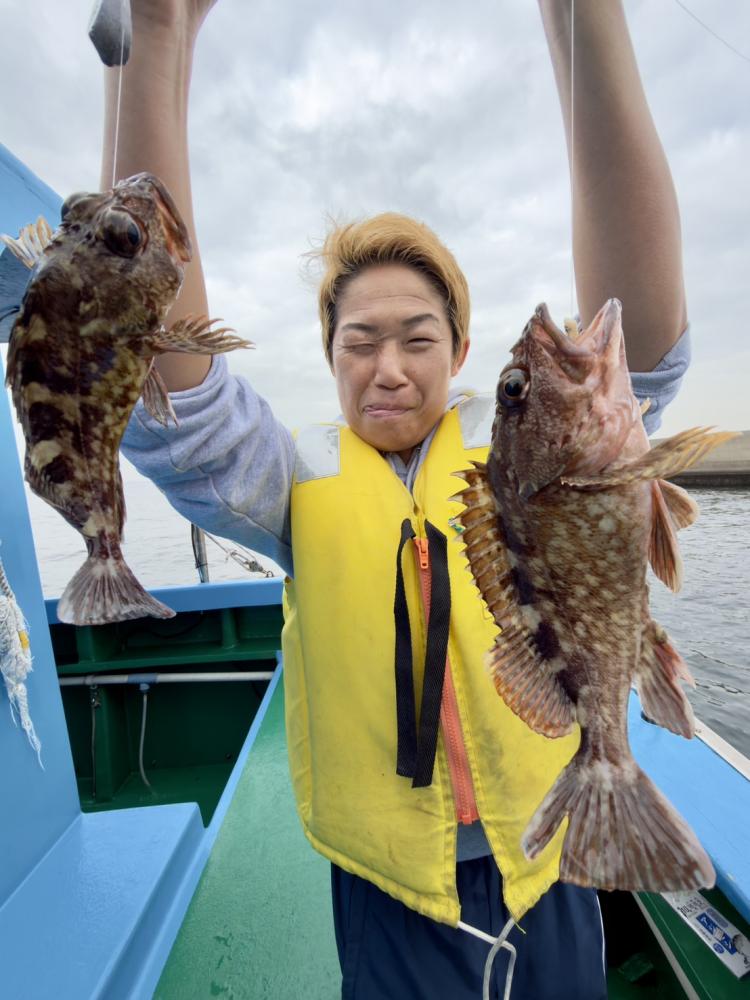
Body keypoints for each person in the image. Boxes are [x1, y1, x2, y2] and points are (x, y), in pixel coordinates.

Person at [106, 1, 692, 997]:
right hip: (388, 887)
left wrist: (581, 15)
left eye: (418, 339)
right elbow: (170, 395)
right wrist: (159, 35)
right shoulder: (290, 478)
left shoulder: (536, 446)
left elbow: (644, 335)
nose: (388, 369)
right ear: (329, 357)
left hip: (546, 853)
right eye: (359, 342)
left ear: (459, 354)